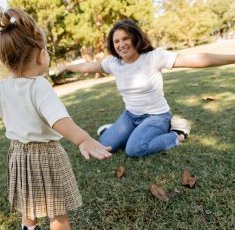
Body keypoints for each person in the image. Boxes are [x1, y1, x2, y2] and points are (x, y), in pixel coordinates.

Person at [0, 8, 112, 230]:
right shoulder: (39, 85)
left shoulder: (1, 89)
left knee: (29, 206)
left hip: (19, 155)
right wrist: (82, 139)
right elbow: (58, 119)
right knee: (57, 212)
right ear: (41, 54)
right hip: (47, 154)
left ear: (6, 61)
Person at [58, 19, 235, 158]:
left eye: (125, 38)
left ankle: (177, 134)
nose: (121, 44)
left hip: (157, 116)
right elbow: (89, 67)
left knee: (134, 149)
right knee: (105, 144)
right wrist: (66, 67)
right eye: (117, 41)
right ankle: (120, 130)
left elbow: (198, 59)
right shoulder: (114, 63)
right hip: (130, 115)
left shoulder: (154, 57)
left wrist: (232, 58)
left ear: (135, 37)